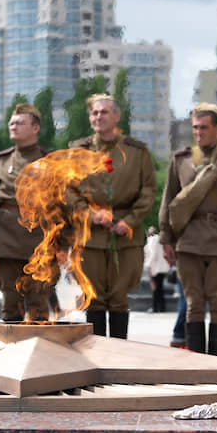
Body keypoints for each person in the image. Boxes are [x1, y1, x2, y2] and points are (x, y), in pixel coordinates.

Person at [159, 102, 217, 355]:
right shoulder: (182, 160)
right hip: (188, 240)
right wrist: (166, 238)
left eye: (204, 127)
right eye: (195, 128)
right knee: (193, 303)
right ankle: (197, 362)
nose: (199, 132)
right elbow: (168, 201)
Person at [69, 94, 156, 338]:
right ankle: (97, 359)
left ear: (116, 117)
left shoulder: (136, 152)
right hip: (91, 237)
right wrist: (89, 215)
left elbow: (148, 190)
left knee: (119, 299)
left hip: (126, 236)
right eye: (94, 113)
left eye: (104, 112)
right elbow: (68, 191)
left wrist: (130, 221)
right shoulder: (77, 151)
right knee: (93, 299)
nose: (98, 117)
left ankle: (119, 357)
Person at [0, 103, 54, 321]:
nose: (13, 126)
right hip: (6, 244)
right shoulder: (0, 161)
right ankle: (11, 352)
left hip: (40, 243)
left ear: (35, 128)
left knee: (39, 305)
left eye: (20, 123)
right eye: (11, 123)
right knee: (10, 305)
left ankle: (40, 354)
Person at [143, 227, 170, 313]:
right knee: (159, 288)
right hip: (161, 267)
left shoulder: (152, 239)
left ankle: (155, 307)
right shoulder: (159, 239)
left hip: (156, 267)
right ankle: (161, 307)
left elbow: (153, 254)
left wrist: (147, 265)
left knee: (156, 288)